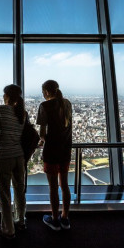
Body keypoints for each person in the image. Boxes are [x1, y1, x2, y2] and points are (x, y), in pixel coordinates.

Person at [0, 84, 26, 239]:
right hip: (19, 156)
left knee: (4, 194)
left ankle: (8, 228)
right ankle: (20, 220)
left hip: (4, 156)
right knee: (19, 191)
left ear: (6, 96)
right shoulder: (22, 113)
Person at [37, 80, 72, 231]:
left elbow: (42, 133)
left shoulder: (44, 106)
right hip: (65, 150)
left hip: (51, 150)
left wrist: (41, 140)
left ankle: (55, 219)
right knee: (64, 185)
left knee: (53, 188)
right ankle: (65, 218)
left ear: (45, 92)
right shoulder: (67, 103)